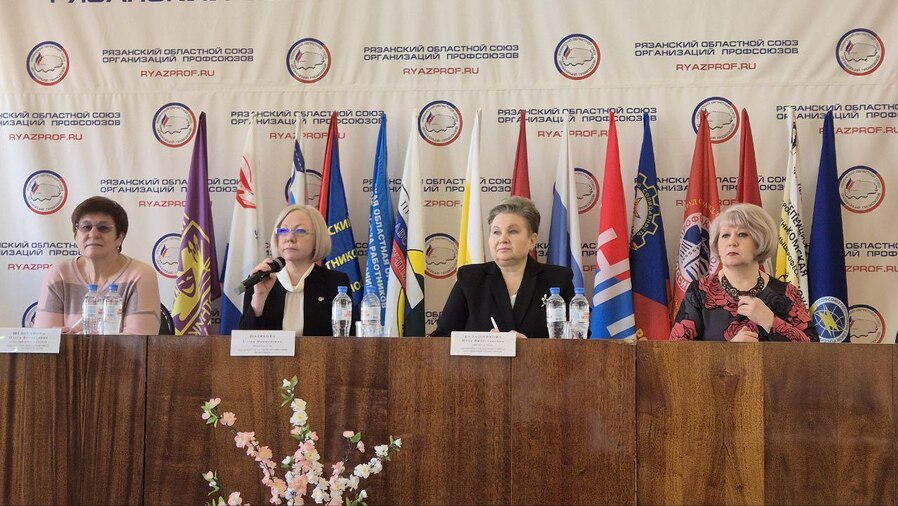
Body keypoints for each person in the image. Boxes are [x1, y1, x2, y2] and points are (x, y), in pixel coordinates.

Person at [432, 196, 575, 338]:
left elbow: (577, 339)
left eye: (513, 231)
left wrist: (529, 346)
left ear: (532, 240)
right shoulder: (470, 278)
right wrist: (485, 344)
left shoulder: (558, 279)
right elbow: (442, 337)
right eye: (496, 232)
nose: (503, 239)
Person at [671, 203, 817, 342]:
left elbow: (813, 351)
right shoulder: (699, 291)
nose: (732, 242)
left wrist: (770, 321)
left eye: (742, 234)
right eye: (725, 235)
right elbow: (678, 353)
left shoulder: (787, 293)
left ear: (760, 240)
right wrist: (730, 351)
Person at [34, 196, 161, 334]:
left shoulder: (140, 275)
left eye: (103, 228)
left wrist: (81, 340)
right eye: (85, 227)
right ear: (76, 236)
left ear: (119, 238)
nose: (93, 234)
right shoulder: (59, 274)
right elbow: (44, 338)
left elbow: (139, 340)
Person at [239, 204, 350, 335]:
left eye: (300, 231)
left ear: (317, 239)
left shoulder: (336, 282)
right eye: (283, 230)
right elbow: (245, 341)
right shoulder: (260, 279)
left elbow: (345, 339)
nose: (289, 238)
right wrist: (259, 297)